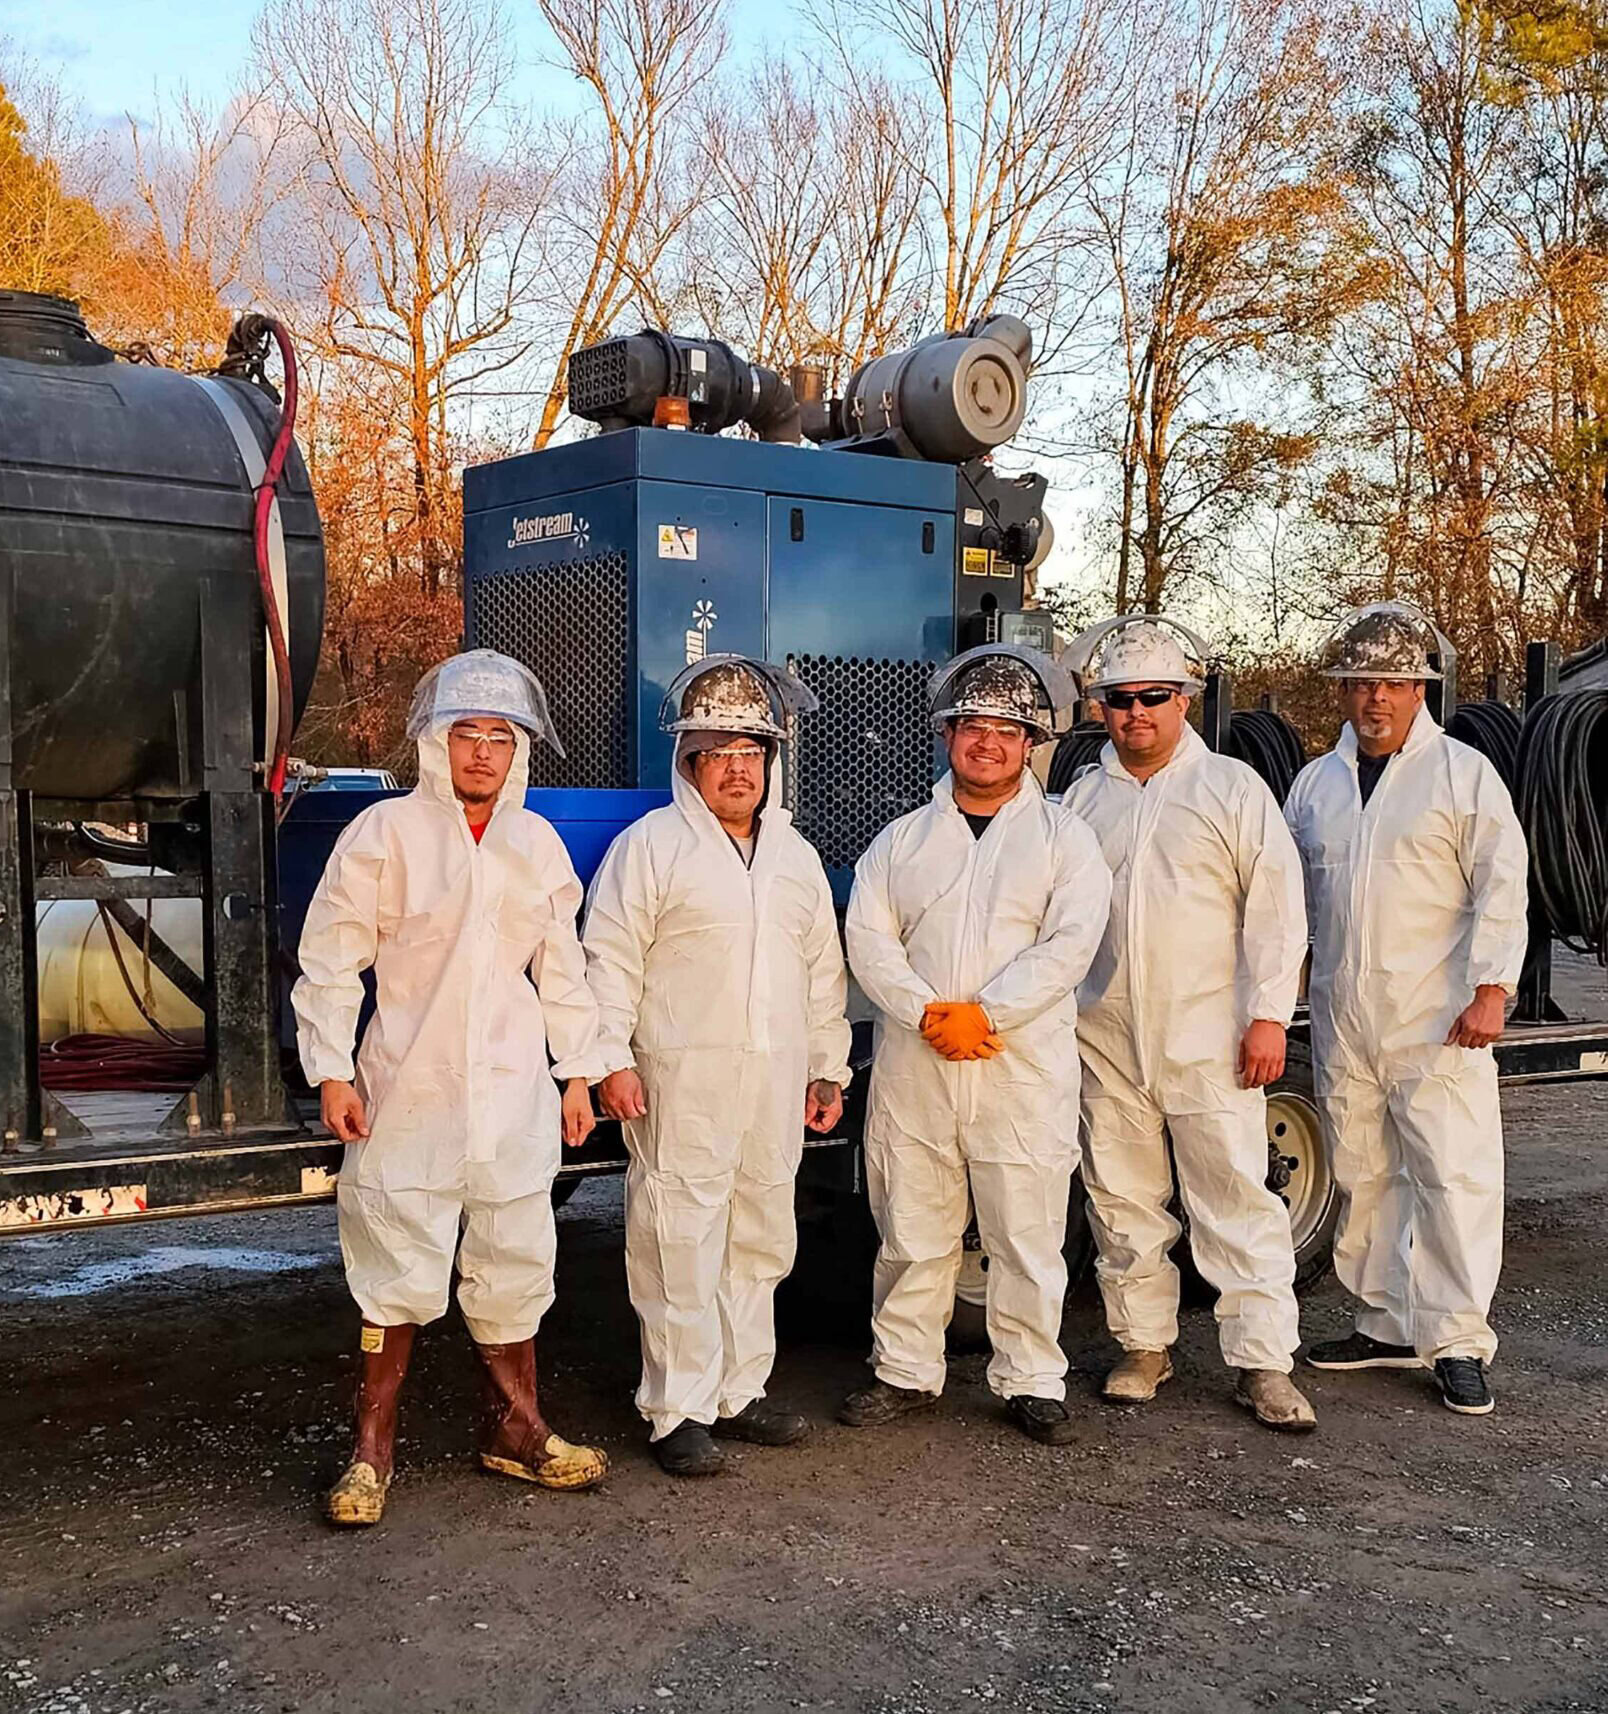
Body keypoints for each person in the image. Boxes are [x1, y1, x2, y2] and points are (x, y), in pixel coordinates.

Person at [293, 649, 609, 1526]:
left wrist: (575, 1073)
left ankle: (516, 1429)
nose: (481, 752)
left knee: (513, 1250)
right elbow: (330, 958)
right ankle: (372, 1449)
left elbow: (563, 968)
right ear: (435, 745)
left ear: (519, 752)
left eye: (499, 738)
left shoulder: (534, 843)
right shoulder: (386, 836)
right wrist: (329, 1069)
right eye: (464, 734)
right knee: (395, 1254)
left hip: (511, 1092)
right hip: (411, 1086)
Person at [582, 656, 852, 1477]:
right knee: (679, 1239)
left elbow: (822, 972)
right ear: (689, 762)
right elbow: (609, 961)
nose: (737, 768)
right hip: (679, 1082)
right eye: (718, 752)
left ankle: (740, 1390)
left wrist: (827, 1068)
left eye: (751, 752)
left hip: (772, 1084)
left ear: (770, 762)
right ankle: (677, 1409)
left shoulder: (796, 858)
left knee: (760, 1235)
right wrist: (608, 1062)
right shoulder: (650, 849)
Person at [839, 644, 1111, 1446]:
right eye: (971, 726)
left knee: (1024, 1234)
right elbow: (869, 936)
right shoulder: (903, 840)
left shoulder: (1066, 841)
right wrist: (929, 1013)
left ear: (1032, 743)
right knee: (913, 1230)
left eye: (1005, 729)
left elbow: (1071, 946)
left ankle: (1031, 1379)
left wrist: (987, 1013)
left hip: (1017, 1070)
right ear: (947, 735)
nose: (986, 742)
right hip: (919, 1070)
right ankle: (905, 1371)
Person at [1064, 618, 1314, 1431]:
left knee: (1235, 1194)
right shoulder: (1081, 800)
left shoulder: (1233, 790)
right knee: (1122, 1197)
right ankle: (1144, 1345)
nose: (1137, 713)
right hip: (1105, 1030)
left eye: (1154, 697)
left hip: (1210, 1030)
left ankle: (1264, 1362)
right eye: (1120, 699)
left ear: (1186, 700)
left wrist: (1269, 1015)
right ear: (1100, 707)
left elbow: (1277, 912)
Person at [1284, 603, 1529, 1416]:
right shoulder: (1316, 785)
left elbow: (1502, 884)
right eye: (1360, 683)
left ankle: (1457, 1338)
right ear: (1342, 692)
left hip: (1439, 1014)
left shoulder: (1462, 776)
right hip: (1346, 1015)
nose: (1375, 699)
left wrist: (1492, 986)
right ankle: (1383, 1321)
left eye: (1392, 682)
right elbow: (1291, 895)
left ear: (1420, 688)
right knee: (1362, 1170)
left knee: (1452, 1174)